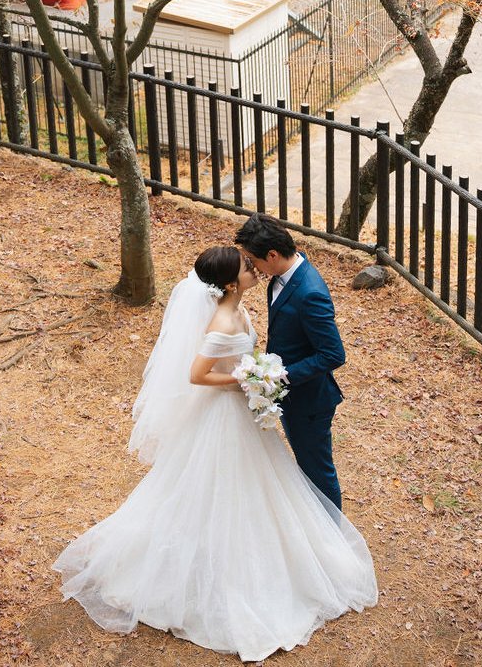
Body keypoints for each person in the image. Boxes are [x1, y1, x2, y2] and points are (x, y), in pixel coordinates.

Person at [53, 245, 377, 662]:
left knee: (259, 485)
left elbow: (245, 357)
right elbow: (197, 373)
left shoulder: (239, 307)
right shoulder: (223, 319)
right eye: (246, 267)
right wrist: (244, 380)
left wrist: (256, 373)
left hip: (244, 411)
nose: (254, 269)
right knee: (221, 486)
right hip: (224, 415)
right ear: (228, 283)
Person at [234, 213, 346, 509]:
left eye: (252, 260)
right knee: (304, 470)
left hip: (309, 402)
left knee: (317, 473)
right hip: (289, 396)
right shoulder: (280, 278)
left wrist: (279, 376)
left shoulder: (310, 293)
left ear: (272, 254)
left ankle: (332, 541)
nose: (251, 267)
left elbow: (334, 354)